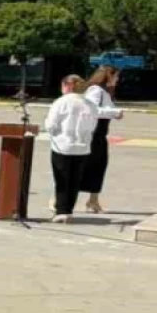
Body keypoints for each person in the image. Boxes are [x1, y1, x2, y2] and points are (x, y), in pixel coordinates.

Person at [44, 74, 99, 224]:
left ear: (67, 86)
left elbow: (50, 125)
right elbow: (93, 126)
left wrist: (55, 133)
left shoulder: (61, 102)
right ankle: (68, 210)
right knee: (75, 181)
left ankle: (61, 211)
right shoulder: (90, 104)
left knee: (62, 180)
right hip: (82, 148)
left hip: (62, 146)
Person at [79, 66, 124, 213]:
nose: (117, 80)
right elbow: (91, 110)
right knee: (83, 166)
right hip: (92, 133)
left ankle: (93, 200)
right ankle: (58, 198)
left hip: (99, 135)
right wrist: (115, 113)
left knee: (99, 166)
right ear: (107, 76)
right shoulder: (95, 90)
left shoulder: (105, 92)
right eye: (115, 76)